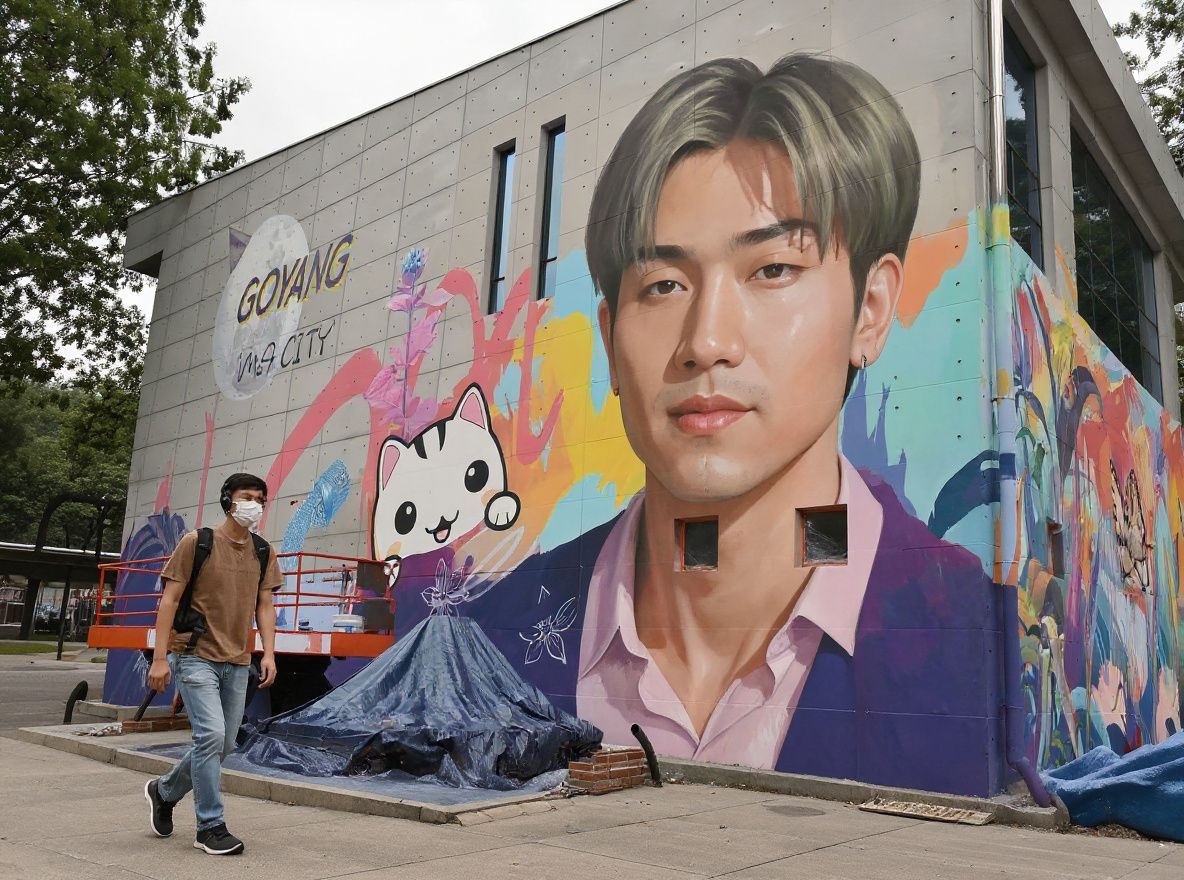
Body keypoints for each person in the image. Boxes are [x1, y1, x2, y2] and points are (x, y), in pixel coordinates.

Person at [394, 53, 999, 796]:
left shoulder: (980, 638)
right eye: (664, 285)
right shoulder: (490, 641)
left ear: (869, 310)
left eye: (772, 269)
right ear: (611, 339)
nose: (706, 341)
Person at [142, 473, 283, 854]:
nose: (254, 505)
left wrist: (269, 653)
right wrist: (160, 658)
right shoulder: (197, 543)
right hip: (194, 655)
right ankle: (210, 826)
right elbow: (169, 600)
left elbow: (265, 606)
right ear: (227, 500)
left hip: (237, 660)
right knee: (210, 738)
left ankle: (164, 791)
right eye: (246, 497)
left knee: (225, 744)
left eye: (260, 499)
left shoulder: (263, 551)